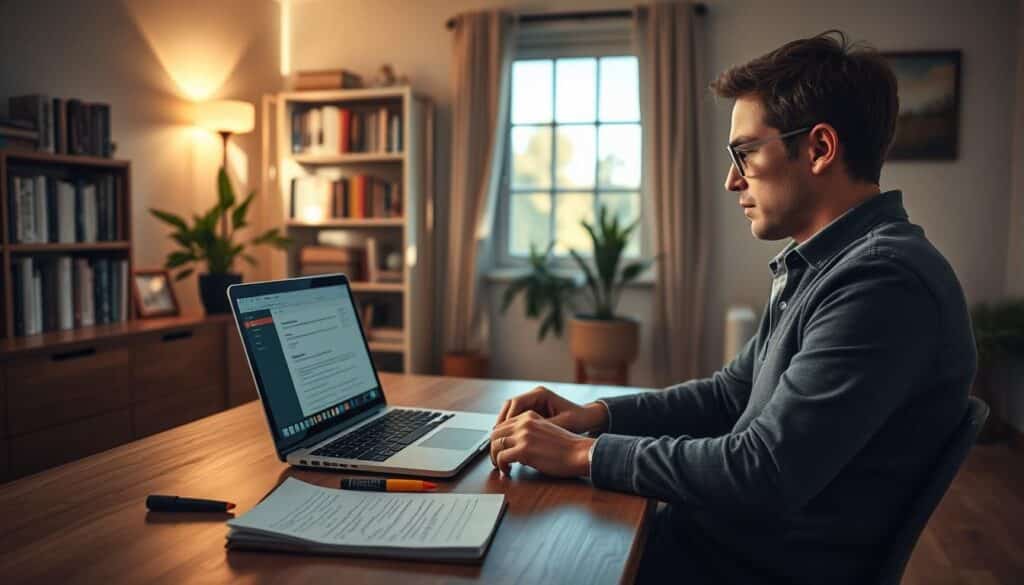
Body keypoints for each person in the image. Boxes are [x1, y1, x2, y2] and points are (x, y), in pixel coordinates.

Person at [488, 30, 977, 585]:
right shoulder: (826, 263)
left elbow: (763, 471)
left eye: (744, 152)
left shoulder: (882, 282)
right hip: (718, 545)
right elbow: (729, 395)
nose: (731, 179)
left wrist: (582, 456)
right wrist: (595, 418)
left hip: (736, 568)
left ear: (819, 149)